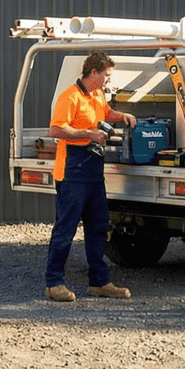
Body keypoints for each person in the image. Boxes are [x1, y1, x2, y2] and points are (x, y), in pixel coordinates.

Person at [43, 51, 136, 302]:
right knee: (65, 229)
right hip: (71, 174)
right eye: (106, 75)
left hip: (93, 174)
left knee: (98, 227)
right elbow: (56, 129)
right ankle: (54, 283)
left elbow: (105, 112)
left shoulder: (97, 94)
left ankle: (99, 282)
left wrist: (122, 116)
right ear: (93, 72)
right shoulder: (70, 96)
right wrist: (89, 134)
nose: (108, 80)